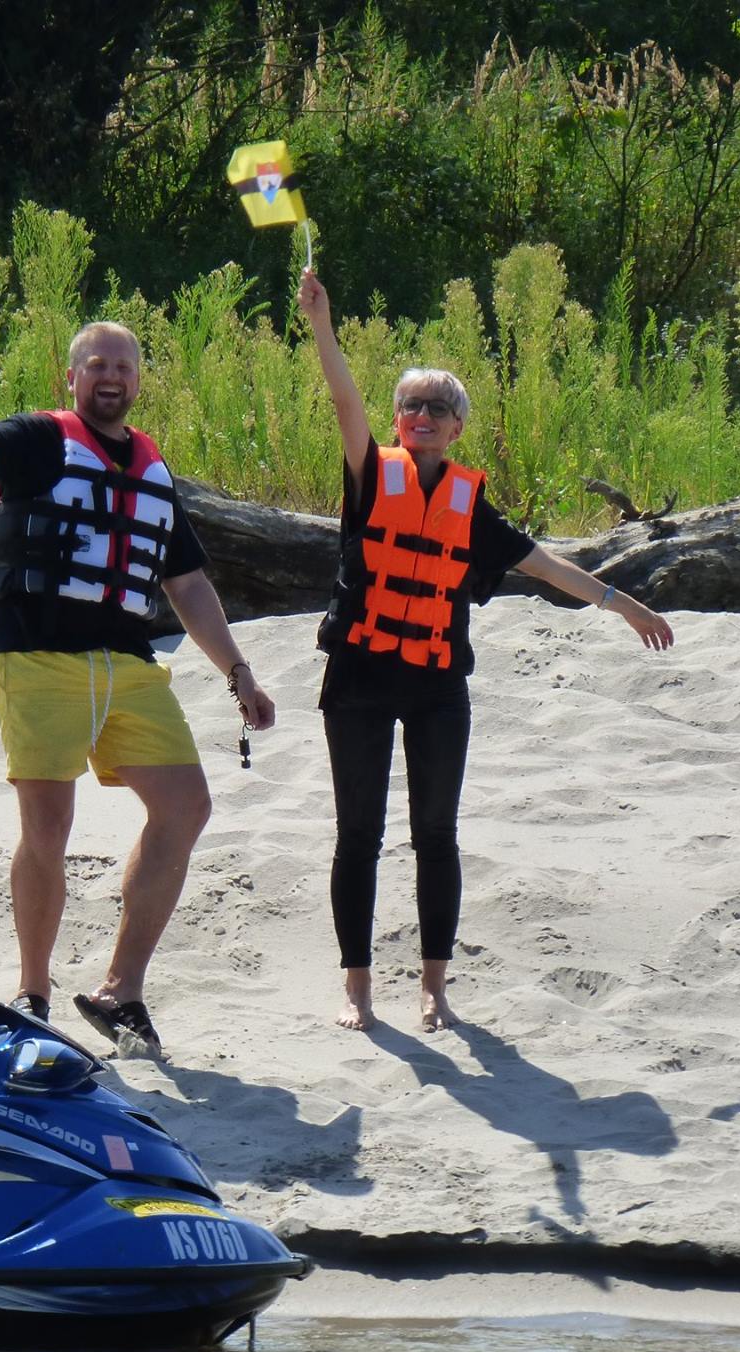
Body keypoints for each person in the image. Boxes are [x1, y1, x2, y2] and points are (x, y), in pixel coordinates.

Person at [0, 307, 276, 1059]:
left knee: (185, 806)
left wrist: (238, 671)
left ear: (139, 381)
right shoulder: (39, 440)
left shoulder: (152, 469)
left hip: (127, 662)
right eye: (96, 365)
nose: (111, 377)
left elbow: (188, 584)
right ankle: (33, 992)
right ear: (71, 378)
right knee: (49, 825)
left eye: (124, 366)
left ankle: (120, 993)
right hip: (38, 655)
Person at [295, 269, 674, 1033]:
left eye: (439, 406)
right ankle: (358, 988)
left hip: (436, 684)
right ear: (397, 421)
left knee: (436, 833)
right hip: (361, 677)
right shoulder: (371, 476)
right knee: (358, 835)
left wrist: (622, 602)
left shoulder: (471, 510)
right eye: (411, 405)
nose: (422, 414)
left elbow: (545, 566)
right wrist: (322, 328)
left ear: (458, 426)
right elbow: (342, 400)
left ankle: (435, 986)